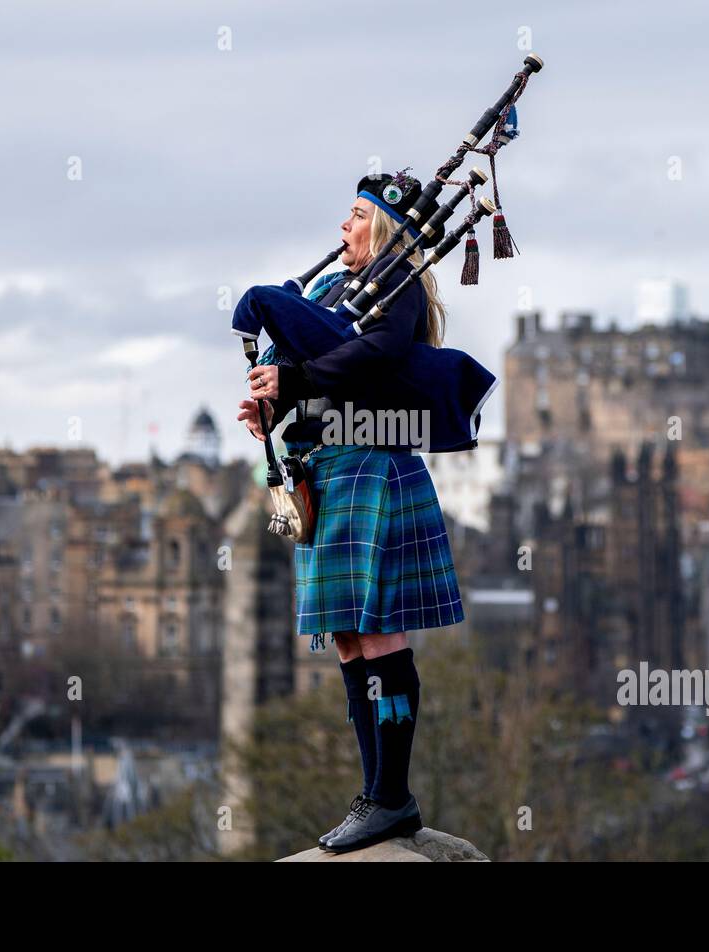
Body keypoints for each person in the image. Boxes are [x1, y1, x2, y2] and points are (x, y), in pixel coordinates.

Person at [236, 170, 465, 853]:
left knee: (381, 637)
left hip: (372, 466)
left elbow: (380, 356)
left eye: (356, 216)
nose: (343, 227)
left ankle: (392, 797)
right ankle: (375, 794)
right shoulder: (338, 293)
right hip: (327, 471)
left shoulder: (398, 289)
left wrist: (297, 378)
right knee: (347, 640)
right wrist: (270, 407)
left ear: (386, 231)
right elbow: (316, 372)